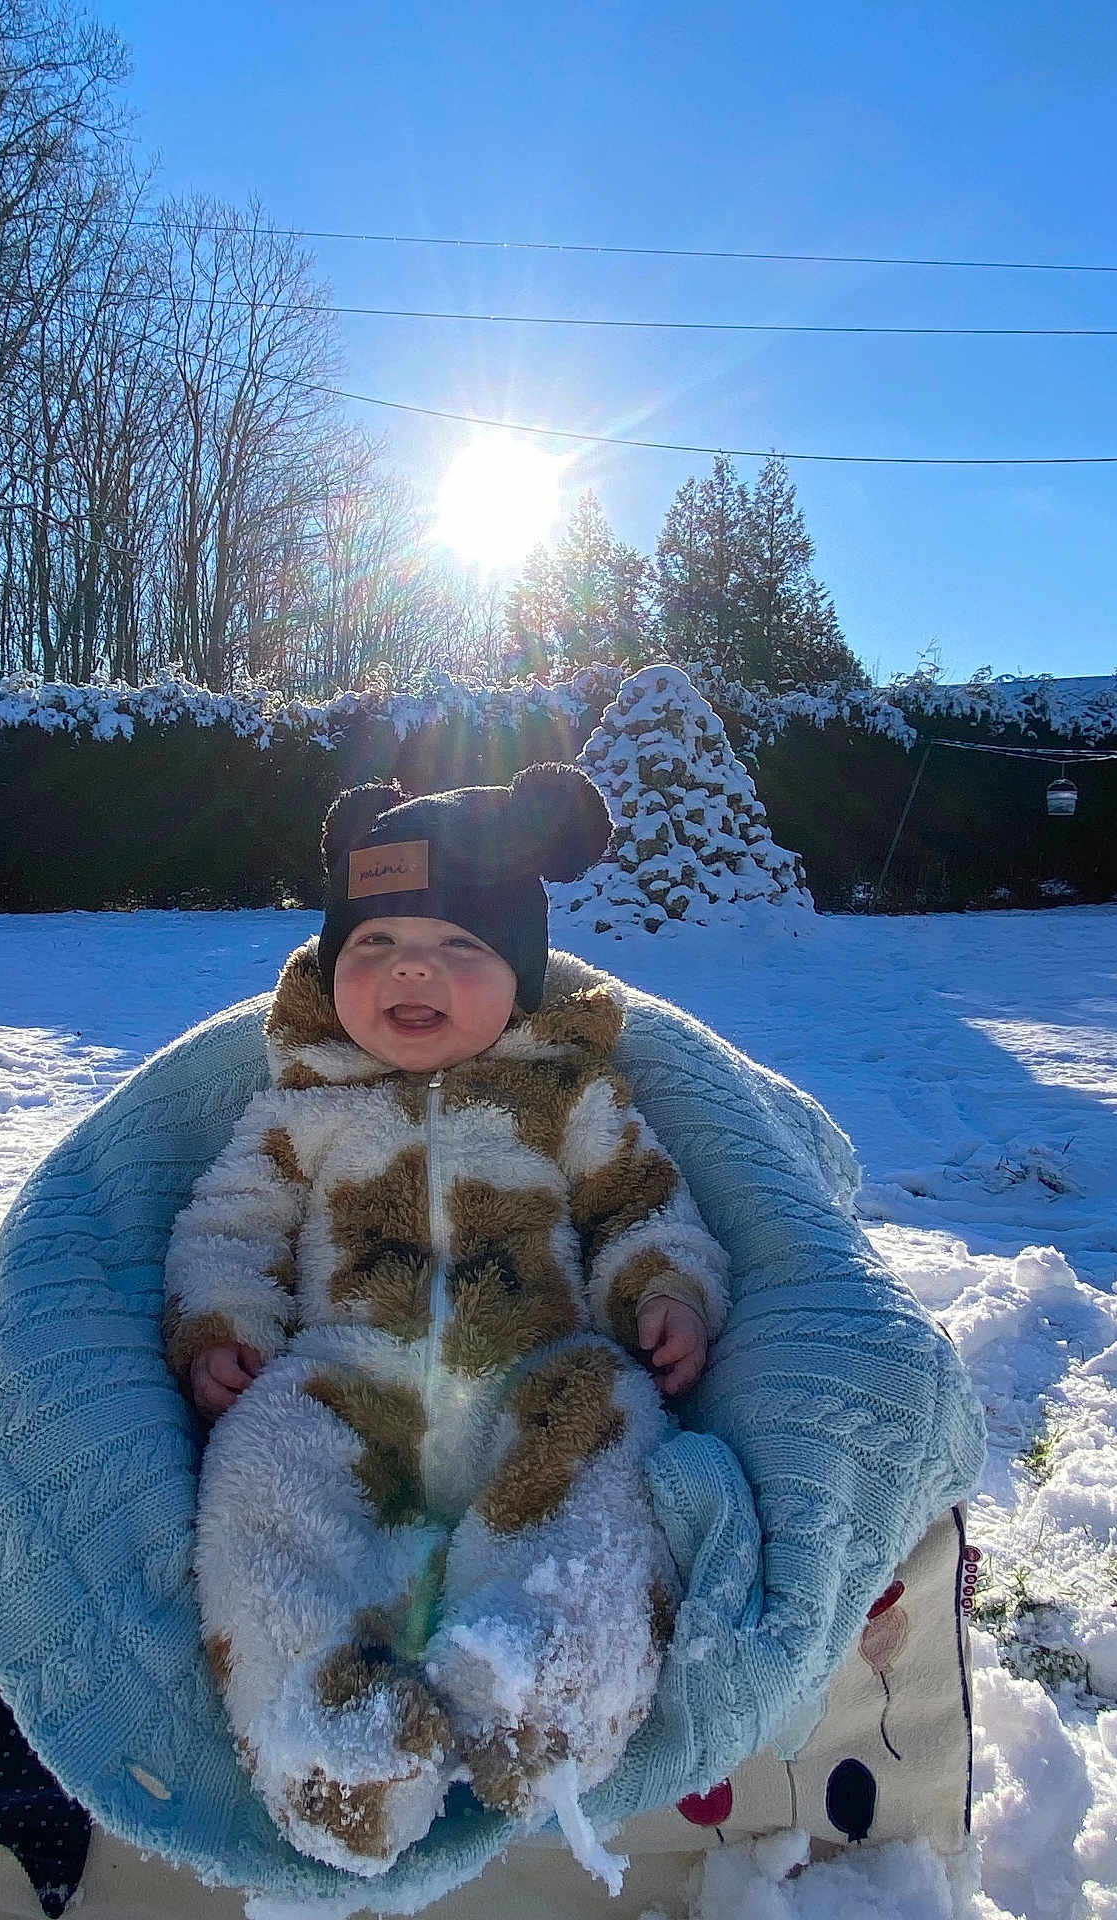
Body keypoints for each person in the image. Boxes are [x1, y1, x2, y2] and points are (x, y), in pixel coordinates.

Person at [162, 764, 732, 1879]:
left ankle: (544, 1683)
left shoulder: (567, 1094)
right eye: (372, 947)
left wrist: (666, 1294)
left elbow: (641, 1203)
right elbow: (227, 1226)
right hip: (347, 1379)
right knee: (260, 1461)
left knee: (611, 1424)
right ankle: (334, 1735)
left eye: (460, 948)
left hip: (536, 1372)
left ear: (518, 980)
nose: (411, 966)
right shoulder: (302, 1104)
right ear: (333, 972)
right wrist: (221, 1325)